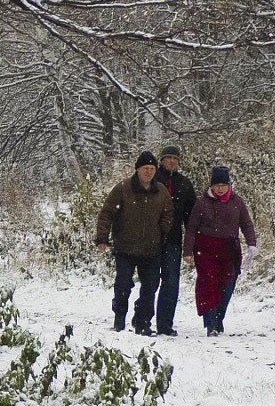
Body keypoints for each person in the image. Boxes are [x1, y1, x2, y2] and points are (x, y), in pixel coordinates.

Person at [94, 150, 175, 334]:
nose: (149, 172)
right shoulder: (123, 189)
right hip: (125, 248)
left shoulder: (161, 191)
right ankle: (119, 319)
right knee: (123, 285)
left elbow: (169, 212)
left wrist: (163, 228)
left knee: (151, 286)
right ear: (137, 169)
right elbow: (107, 213)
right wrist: (102, 238)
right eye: (145, 168)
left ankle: (142, 321)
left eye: (152, 168)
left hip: (151, 249)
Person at [185, 165, 256, 336]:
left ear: (229, 185)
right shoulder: (202, 203)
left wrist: (251, 243)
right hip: (205, 248)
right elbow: (192, 228)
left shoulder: (237, 202)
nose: (220, 188)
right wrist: (187, 251)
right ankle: (211, 324)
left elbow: (246, 224)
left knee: (227, 284)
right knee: (208, 284)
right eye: (216, 185)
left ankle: (218, 318)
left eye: (223, 185)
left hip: (229, 249)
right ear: (211, 186)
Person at [155, 144, 197, 336]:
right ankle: (142, 320)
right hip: (151, 240)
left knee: (171, 283)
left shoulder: (185, 184)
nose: (171, 161)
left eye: (175, 158)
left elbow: (191, 217)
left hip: (173, 241)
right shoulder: (153, 180)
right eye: (168, 158)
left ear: (179, 162)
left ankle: (164, 325)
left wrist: (193, 243)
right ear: (162, 160)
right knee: (150, 282)